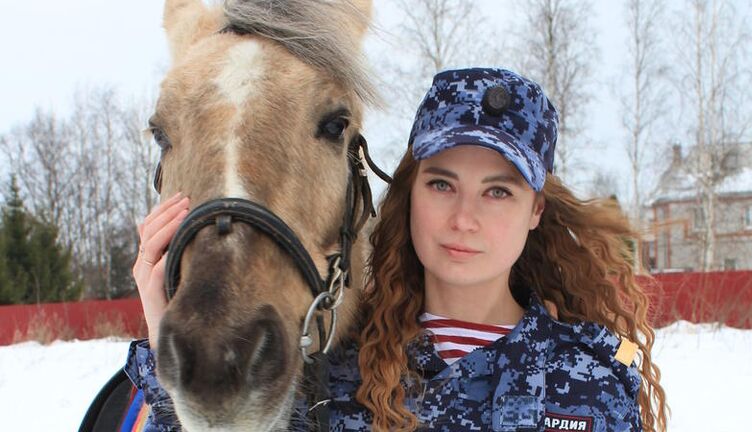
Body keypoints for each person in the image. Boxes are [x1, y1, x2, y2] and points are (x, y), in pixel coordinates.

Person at [126, 68, 667, 431]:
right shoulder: (326, 378)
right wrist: (164, 336)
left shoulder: (593, 378)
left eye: (498, 191)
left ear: (535, 212)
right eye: (441, 183)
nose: (463, 219)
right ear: (408, 195)